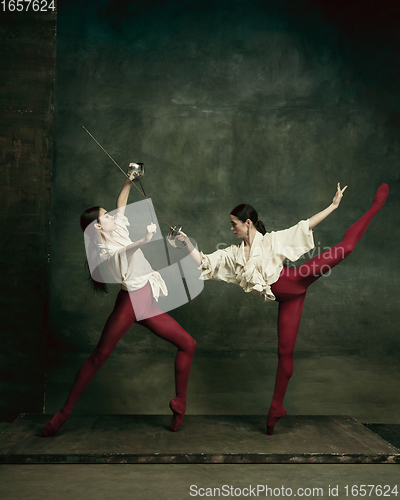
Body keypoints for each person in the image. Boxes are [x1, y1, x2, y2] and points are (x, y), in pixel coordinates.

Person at [177, 182, 389, 435]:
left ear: (248, 223)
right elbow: (203, 262)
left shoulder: (272, 242)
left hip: (298, 278)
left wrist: (332, 206)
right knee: (284, 353)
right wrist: (185, 242)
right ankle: (276, 408)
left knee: (346, 248)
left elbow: (306, 225)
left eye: (234, 223)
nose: (231, 228)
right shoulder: (231, 255)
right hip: (289, 300)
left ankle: (375, 207)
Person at [42, 167, 196, 437]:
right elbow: (122, 254)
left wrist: (129, 178)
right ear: (99, 226)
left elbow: (121, 204)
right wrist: (144, 239)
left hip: (146, 301)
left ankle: (180, 403)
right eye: (106, 217)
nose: (112, 216)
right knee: (99, 356)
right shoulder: (103, 249)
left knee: (188, 344)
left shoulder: (116, 228)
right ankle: (63, 413)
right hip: (131, 302)